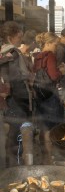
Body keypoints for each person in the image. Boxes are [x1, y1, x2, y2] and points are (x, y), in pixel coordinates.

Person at [0, 21, 36, 166]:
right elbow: (16, 79)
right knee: (20, 134)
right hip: (17, 99)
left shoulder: (3, 51)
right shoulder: (13, 53)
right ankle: (19, 168)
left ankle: (11, 166)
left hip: (8, 101)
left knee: (12, 135)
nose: (21, 38)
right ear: (10, 36)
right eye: (19, 35)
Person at [33, 32, 65, 163]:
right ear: (48, 43)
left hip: (40, 95)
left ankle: (44, 156)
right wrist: (61, 72)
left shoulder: (37, 56)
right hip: (50, 96)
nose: (56, 47)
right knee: (52, 128)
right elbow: (53, 76)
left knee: (43, 127)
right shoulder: (50, 55)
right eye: (55, 44)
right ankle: (51, 156)